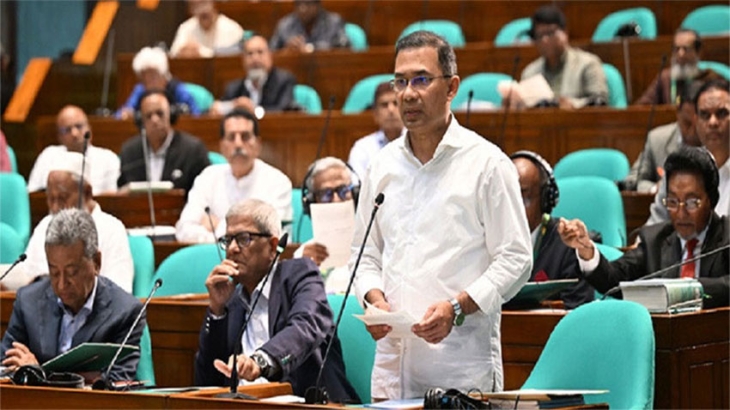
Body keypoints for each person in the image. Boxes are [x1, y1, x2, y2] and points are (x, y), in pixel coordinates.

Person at [352, 31, 531, 400]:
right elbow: (364, 254)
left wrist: (457, 307)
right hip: (392, 367)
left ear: (451, 88)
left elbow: (516, 258)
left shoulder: (487, 164)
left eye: (421, 79)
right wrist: (373, 299)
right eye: (400, 81)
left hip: (460, 369)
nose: (408, 93)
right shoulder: (381, 166)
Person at [194, 199, 359, 402]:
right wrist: (217, 311)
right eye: (228, 240)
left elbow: (306, 325)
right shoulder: (233, 301)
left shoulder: (300, 275)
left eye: (244, 239)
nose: (232, 249)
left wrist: (261, 361)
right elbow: (206, 381)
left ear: (273, 246)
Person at [559, 146, 729, 309]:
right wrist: (587, 250)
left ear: (711, 200)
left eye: (692, 202)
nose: (681, 213)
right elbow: (613, 279)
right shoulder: (656, 240)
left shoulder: (726, 237)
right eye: (672, 202)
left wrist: (688, 290)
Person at [1, 208, 145, 382]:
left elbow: (116, 382)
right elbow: (4, 365)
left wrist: (39, 374)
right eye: (54, 272)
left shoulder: (125, 312)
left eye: (72, 272)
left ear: (96, 262)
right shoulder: (28, 301)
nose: (62, 284)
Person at [20, 152, 133, 293]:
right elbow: (27, 276)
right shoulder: (45, 225)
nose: (55, 207)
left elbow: (119, 291)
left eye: (62, 198)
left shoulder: (112, 229)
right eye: (50, 199)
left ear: (87, 193)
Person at [176, 109, 292, 243]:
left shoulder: (277, 182)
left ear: (258, 145)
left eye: (245, 137)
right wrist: (242, 235)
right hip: (212, 255)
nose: (238, 144)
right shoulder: (207, 178)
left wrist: (217, 227)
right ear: (222, 146)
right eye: (231, 137)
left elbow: (272, 238)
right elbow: (183, 230)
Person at [510, 151, 593, 309]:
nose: (512, 207)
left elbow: (578, 311)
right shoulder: (482, 241)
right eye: (505, 198)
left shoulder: (569, 246)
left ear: (545, 200)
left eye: (523, 197)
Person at [647, 79, 730, 224]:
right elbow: (654, 226)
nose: (713, 122)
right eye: (705, 115)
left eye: (721, 113)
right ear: (696, 121)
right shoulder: (680, 167)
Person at [118, 90, 210, 194]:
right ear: (140, 121)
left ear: (171, 115)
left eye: (160, 113)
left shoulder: (193, 150)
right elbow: (121, 191)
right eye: (148, 115)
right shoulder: (129, 152)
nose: (154, 120)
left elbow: (205, 191)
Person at [520, 5, 608, 109]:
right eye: (539, 35)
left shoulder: (588, 64)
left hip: (578, 119)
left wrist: (572, 104)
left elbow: (600, 102)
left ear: (565, 32)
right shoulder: (530, 72)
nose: (545, 40)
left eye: (550, 33)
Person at [295, 156, 360, 293]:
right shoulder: (303, 255)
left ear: (355, 195)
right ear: (312, 201)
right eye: (326, 194)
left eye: (343, 191)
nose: (336, 200)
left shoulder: (373, 247)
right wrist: (302, 269)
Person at [624, 85, 702, 193]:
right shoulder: (657, 139)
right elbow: (633, 181)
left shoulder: (719, 143)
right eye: (687, 124)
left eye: (698, 124)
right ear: (677, 113)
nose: (692, 132)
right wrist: (656, 189)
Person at [27, 105, 120, 194]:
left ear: (89, 129)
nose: (74, 133)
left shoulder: (108, 158)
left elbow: (112, 197)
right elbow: (32, 192)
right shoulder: (48, 156)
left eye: (79, 126)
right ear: (59, 136)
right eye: (67, 129)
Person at [210, 35, 296, 116]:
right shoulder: (234, 88)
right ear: (243, 60)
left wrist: (254, 110)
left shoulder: (284, 81)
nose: (255, 59)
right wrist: (227, 107)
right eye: (250, 54)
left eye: (260, 52)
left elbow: (284, 111)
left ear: (270, 56)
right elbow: (221, 108)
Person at [116, 47, 200, 120]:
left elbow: (196, 114)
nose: (148, 81)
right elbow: (122, 113)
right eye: (144, 77)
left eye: (152, 76)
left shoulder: (177, 89)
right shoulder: (140, 90)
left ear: (163, 75)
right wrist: (126, 114)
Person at [635, 28, 713, 106]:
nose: (681, 54)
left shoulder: (708, 78)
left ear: (698, 52)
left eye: (686, 49)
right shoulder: (665, 78)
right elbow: (641, 106)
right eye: (677, 49)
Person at [348, 82, 406, 177]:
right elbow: (358, 184)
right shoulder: (363, 148)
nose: (391, 110)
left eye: (395, 103)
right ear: (375, 114)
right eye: (384, 105)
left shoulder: (419, 143)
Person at [169, 0, 244, 58]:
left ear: (213, 3)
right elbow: (173, 54)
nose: (202, 9)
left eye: (204, 3)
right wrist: (184, 52)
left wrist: (200, 51)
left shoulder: (232, 28)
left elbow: (240, 55)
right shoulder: (186, 28)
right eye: (196, 5)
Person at [269, 0, 350, 52]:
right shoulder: (285, 25)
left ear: (318, 5)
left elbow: (344, 46)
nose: (302, 9)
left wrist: (309, 48)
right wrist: (286, 50)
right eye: (298, 4)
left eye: (308, 4)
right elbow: (271, 51)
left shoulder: (334, 22)